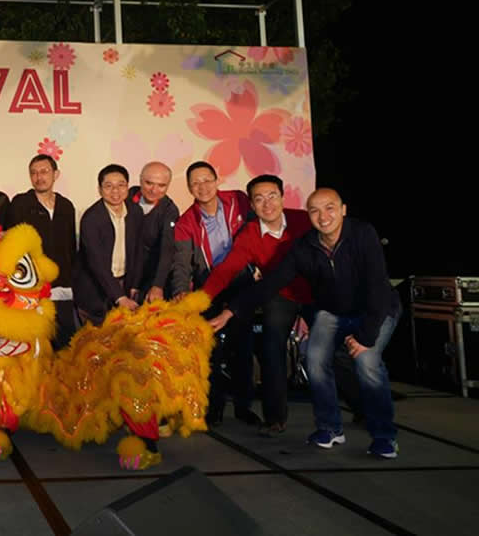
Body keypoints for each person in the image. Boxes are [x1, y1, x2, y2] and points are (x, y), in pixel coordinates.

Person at [231, 188, 402, 458]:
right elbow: (272, 283)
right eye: (315, 211)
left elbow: (378, 289)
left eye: (330, 208)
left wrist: (366, 336)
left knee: (367, 361)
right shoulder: (304, 246)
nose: (323, 217)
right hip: (332, 312)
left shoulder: (362, 234)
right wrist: (232, 311)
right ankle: (330, 428)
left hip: (376, 309)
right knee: (315, 359)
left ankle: (384, 436)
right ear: (308, 215)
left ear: (343, 210)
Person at [203, 174, 312, 435]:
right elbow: (226, 270)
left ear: (283, 197)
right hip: (279, 294)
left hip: (316, 294)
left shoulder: (305, 220)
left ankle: (362, 407)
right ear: (252, 205)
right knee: (271, 346)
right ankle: (275, 418)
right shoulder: (250, 233)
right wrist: (199, 300)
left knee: (334, 350)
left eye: (272, 196)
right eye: (259, 199)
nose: (267, 204)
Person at [171, 161, 257, 427]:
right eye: (195, 183)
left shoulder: (239, 201)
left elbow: (258, 232)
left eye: (207, 180)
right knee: (211, 350)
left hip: (242, 282)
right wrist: (180, 292)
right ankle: (214, 407)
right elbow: (182, 263)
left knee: (243, 345)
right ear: (189, 188)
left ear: (217, 180)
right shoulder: (185, 222)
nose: (203, 187)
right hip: (209, 285)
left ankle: (243, 407)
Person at [7, 155, 78, 348]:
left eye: (44, 171)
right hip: (32, 288)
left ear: (56, 174)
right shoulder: (20, 204)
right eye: (34, 173)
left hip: (63, 287)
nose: (39, 177)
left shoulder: (66, 206)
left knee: (65, 344)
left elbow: (71, 247)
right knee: (34, 345)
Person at [73, 164, 143, 325]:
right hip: (94, 290)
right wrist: (120, 297)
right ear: (100, 189)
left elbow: (138, 252)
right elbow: (96, 263)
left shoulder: (136, 212)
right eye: (109, 186)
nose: (115, 191)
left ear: (127, 187)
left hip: (124, 284)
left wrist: (134, 285)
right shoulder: (91, 218)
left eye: (121, 185)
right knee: (96, 337)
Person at [127, 161, 179, 302]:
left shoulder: (169, 210)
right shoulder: (126, 197)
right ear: (140, 180)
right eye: (149, 183)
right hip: (121, 269)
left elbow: (167, 249)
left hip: (150, 272)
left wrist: (157, 285)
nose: (154, 190)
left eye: (161, 185)